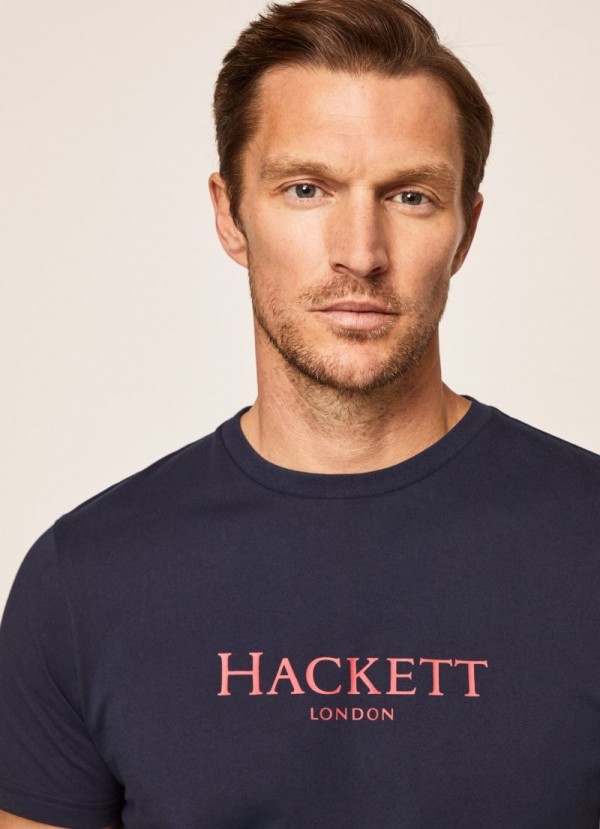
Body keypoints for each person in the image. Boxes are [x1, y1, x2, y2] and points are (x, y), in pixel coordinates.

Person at [0, 0, 599, 826]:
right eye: (306, 188)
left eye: (412, 196)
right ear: (230, 214)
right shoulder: (85, 578)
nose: (360, 252)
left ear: (466, 230)